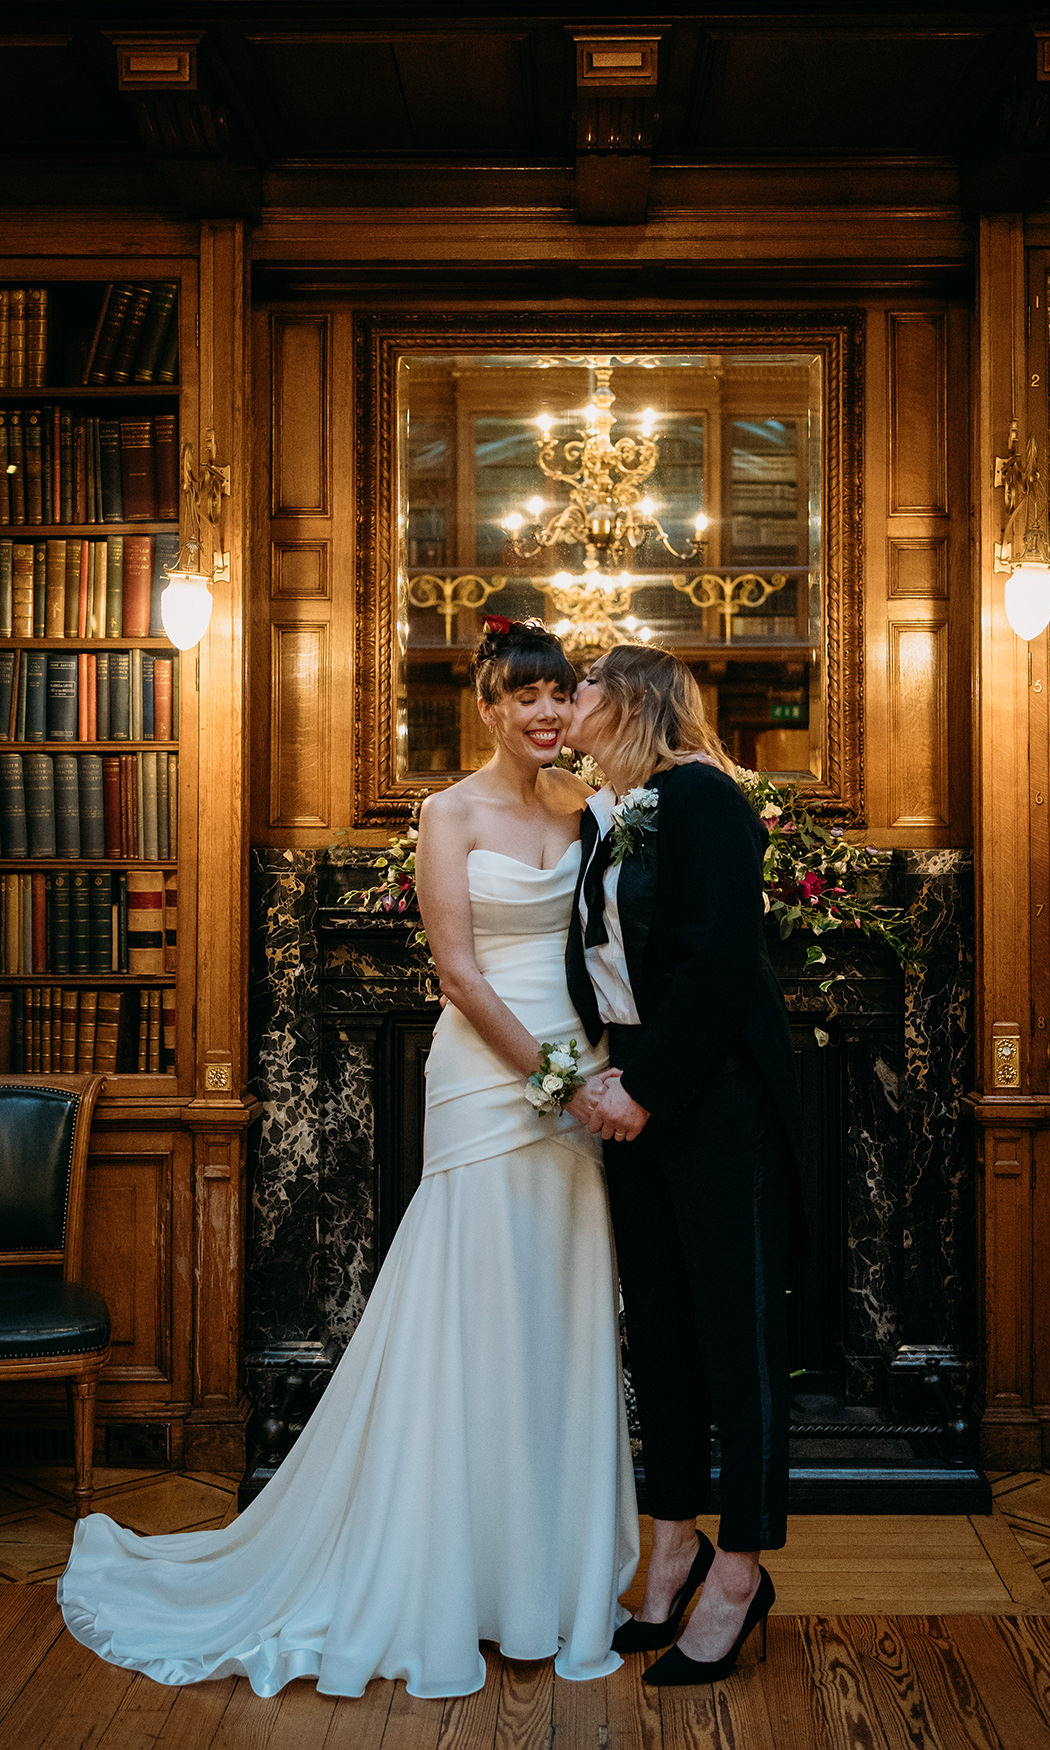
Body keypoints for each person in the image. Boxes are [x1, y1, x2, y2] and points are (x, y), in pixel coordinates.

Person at [58, 619, 638, 1700]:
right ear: (487, 707)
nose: (548, 715)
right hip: (490, 1080)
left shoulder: (593, 806)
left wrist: (610, 1068)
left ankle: (542, 1583)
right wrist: (561, 1081)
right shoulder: (447, 811)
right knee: (471, 1308)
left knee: (553, 1315)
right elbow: (460, 974)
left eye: (561, 695)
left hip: (585, 1080)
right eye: (526, 698)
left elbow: (611, 946)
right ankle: (440, 1575)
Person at [564, 642, 802, 1686]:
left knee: (735, 1339)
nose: (567, 703)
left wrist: (643, 1086)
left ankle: (741, 1569)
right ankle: (671, 1545)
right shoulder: (616, 809)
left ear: (630, 702)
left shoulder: (701, 797)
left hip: (713, 1108)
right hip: (639, 1105)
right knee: (658, 1335)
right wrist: (593, 1074)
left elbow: (717, 963)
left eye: (581, 688)